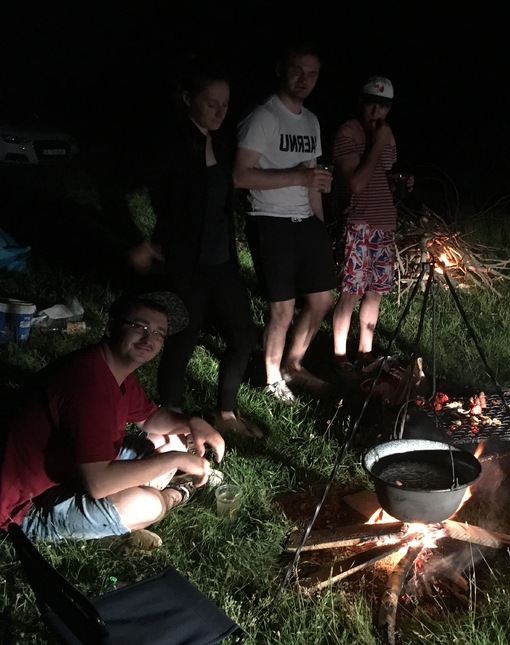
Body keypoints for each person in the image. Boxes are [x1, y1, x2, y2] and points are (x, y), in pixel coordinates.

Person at [0, 291, 226, 545]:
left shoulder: (110, 368)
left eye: (158, 333)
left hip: (69, 470)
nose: (148, 338)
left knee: (169, 437)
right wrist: (176, 459)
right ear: (110, 328)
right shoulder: (87, 387)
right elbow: (99, 483)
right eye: (140, 326)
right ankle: (176, 492)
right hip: (25, 506)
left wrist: (192, 422)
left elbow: (150, 418)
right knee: (148, 505)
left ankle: (110, 520)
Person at [129, 60, 261, 438]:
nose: (220, 112)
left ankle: (226, 413)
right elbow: (120, 188)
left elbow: (223, 201)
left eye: (225, 104)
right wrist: (137, 242)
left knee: (243, 334)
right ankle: (171, 419)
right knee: (183, 338)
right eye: (211, 103)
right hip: (184, 259)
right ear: (188, 99)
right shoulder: (169, 143)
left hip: (222, 259)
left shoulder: (222, 141)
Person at [233, 43, 336, 402]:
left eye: (312, 73)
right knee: (283, 308)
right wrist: (298, 177)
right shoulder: (263, 117)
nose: (304, 79)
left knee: (321, 301)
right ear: (281, 70)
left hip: (305, 221)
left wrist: (319, 225)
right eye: (297, 70)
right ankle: (272, 377)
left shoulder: (311, 121)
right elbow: (240, 176)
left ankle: (294, 363)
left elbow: (313, 178)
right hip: (270, 221)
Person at [330, 76, 405, 374]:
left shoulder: (387, 136)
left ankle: (366, 351)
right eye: (372, 104)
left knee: (375, 291)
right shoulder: (348, 132)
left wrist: (398, 183)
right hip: (358, 222)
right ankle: (339, 356)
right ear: (361, 102)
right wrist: (378, 143)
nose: (376, 112)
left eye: (383, 107)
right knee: (351, 290)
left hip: (383, 223)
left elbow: (382, 176)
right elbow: (356, 184)